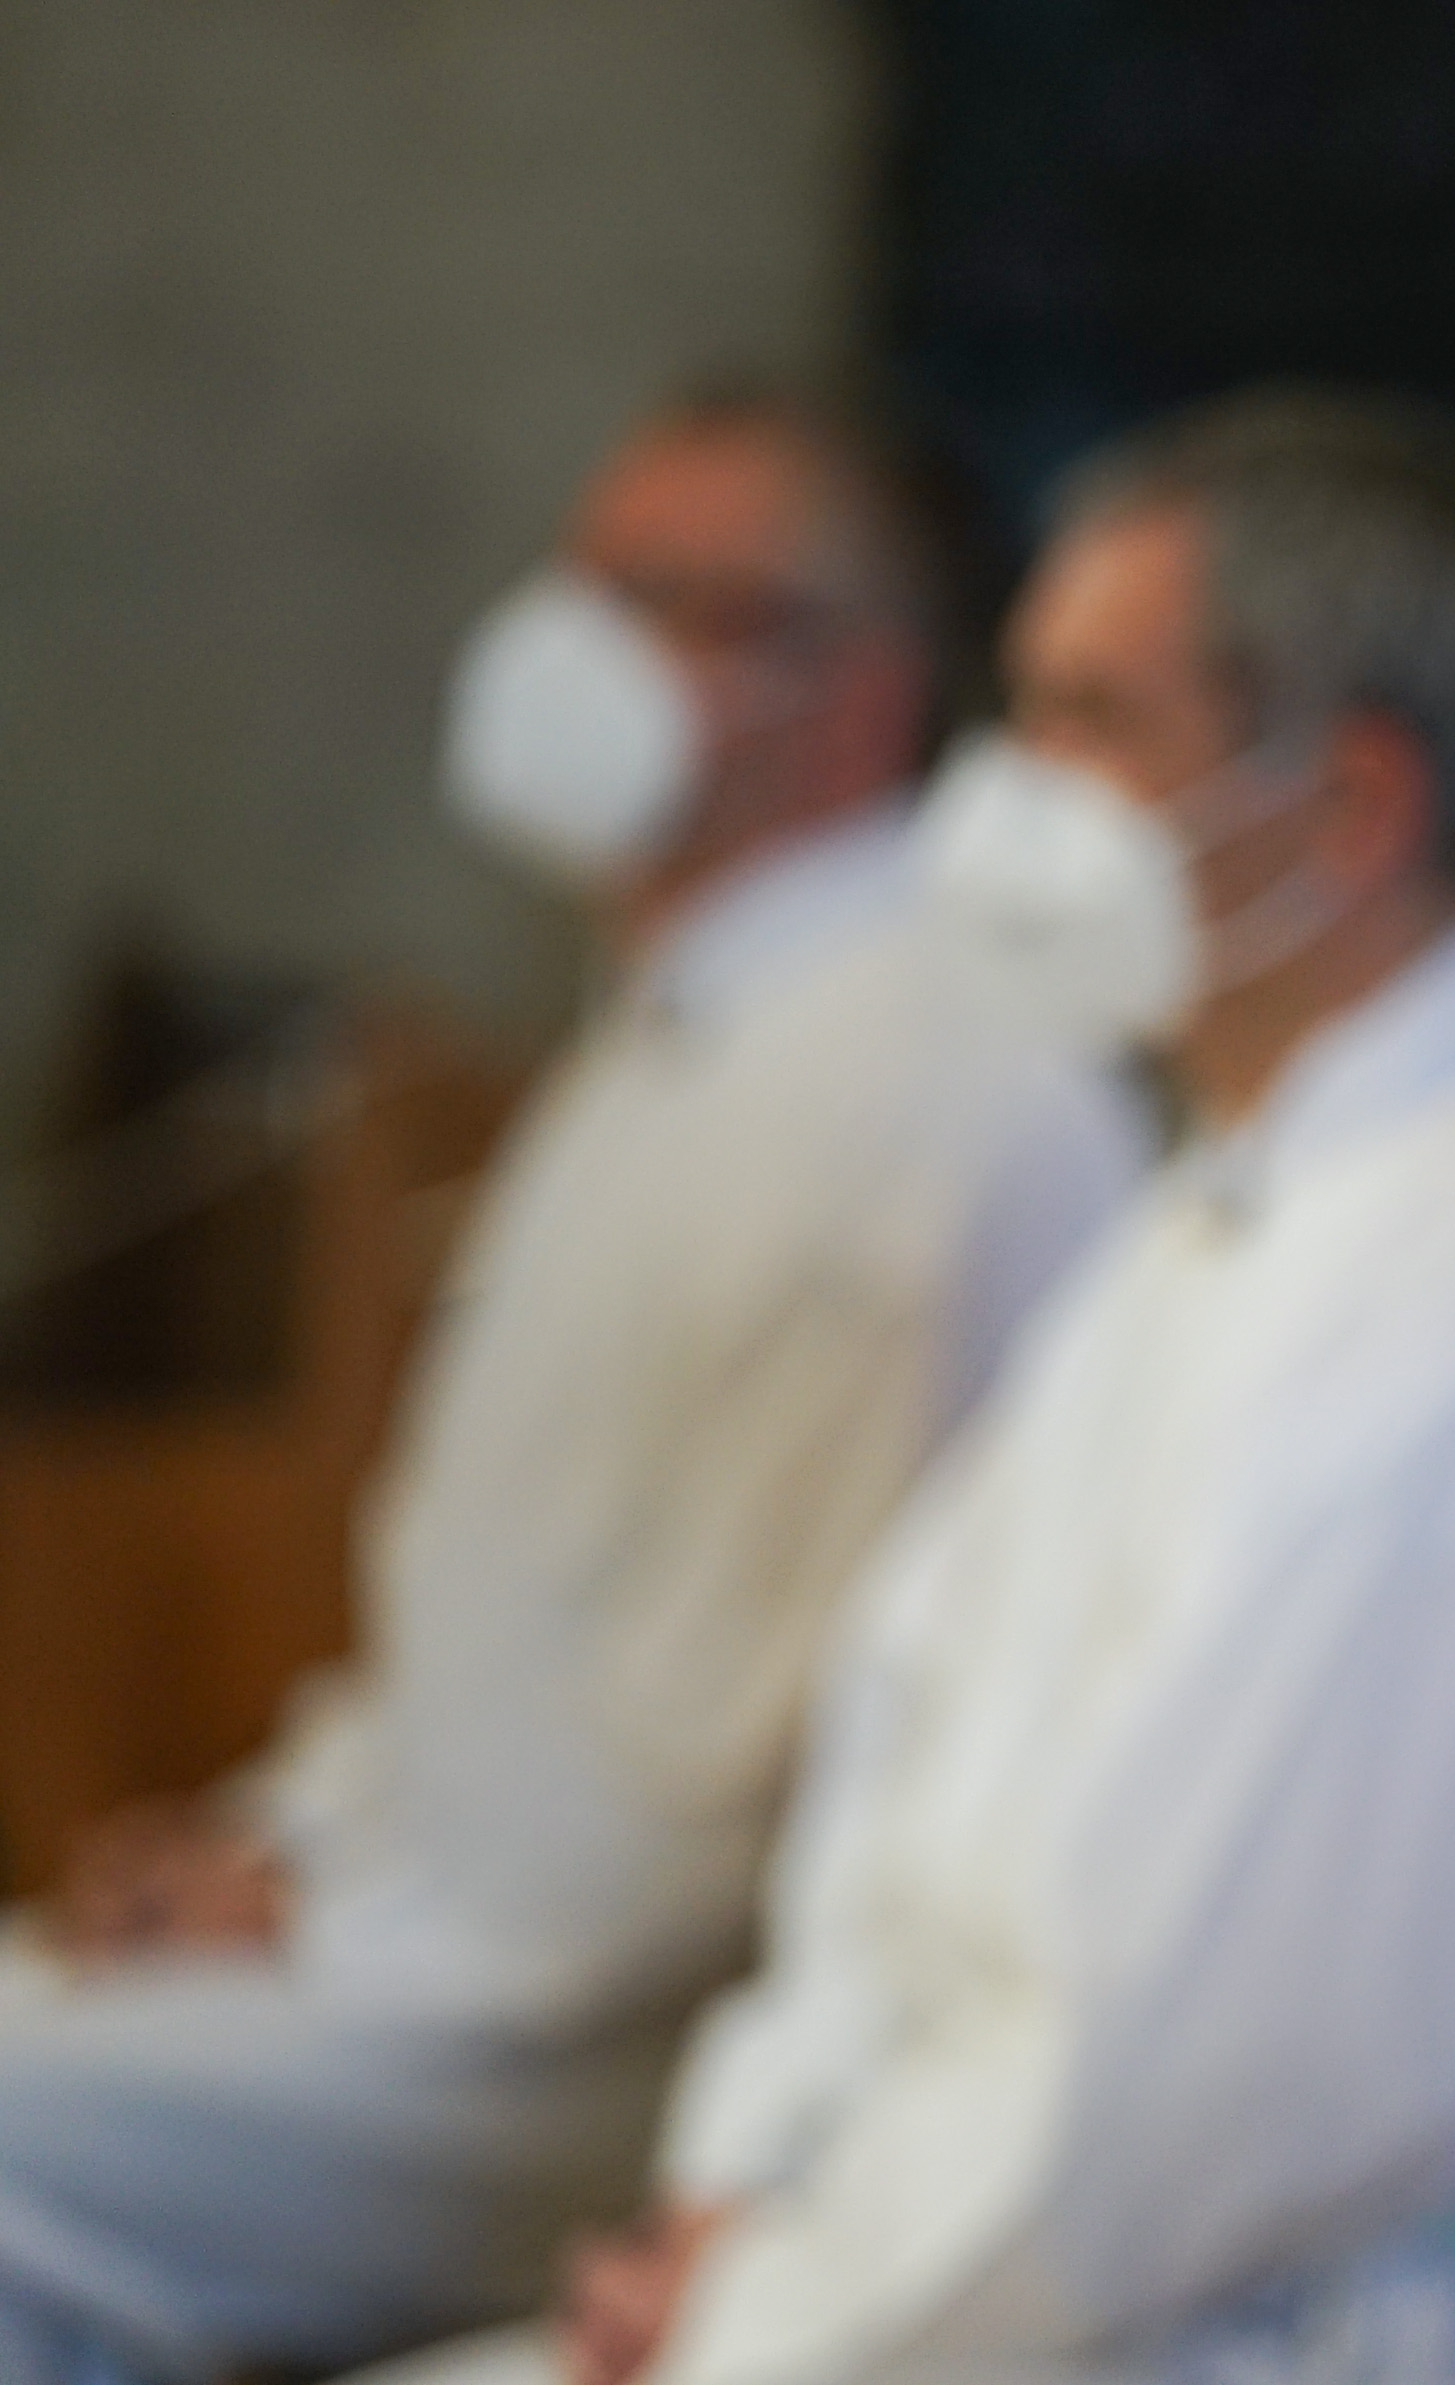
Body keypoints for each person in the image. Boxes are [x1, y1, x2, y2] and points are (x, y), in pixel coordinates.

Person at [357, 389, 1455, 2385]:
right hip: (941, 2282)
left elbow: (1194, 2077)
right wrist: (750, 2187)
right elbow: (900, 1786)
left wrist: (766, 2311)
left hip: (1268, 2327)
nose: (1007, 788)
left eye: (1090, 718)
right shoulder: (1239, 1209)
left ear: (1350, 806)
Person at [0, 391, 1148, 2385]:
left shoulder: (936, 1085)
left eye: (662, 598)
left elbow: (766, 1756)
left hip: (603, 2041)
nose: (571, 646)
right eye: (581, 580)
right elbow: (500, 1624)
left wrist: (345, 1917)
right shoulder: (682, 1026)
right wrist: (291, 1836)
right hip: (439, 1938)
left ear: (858, 693)